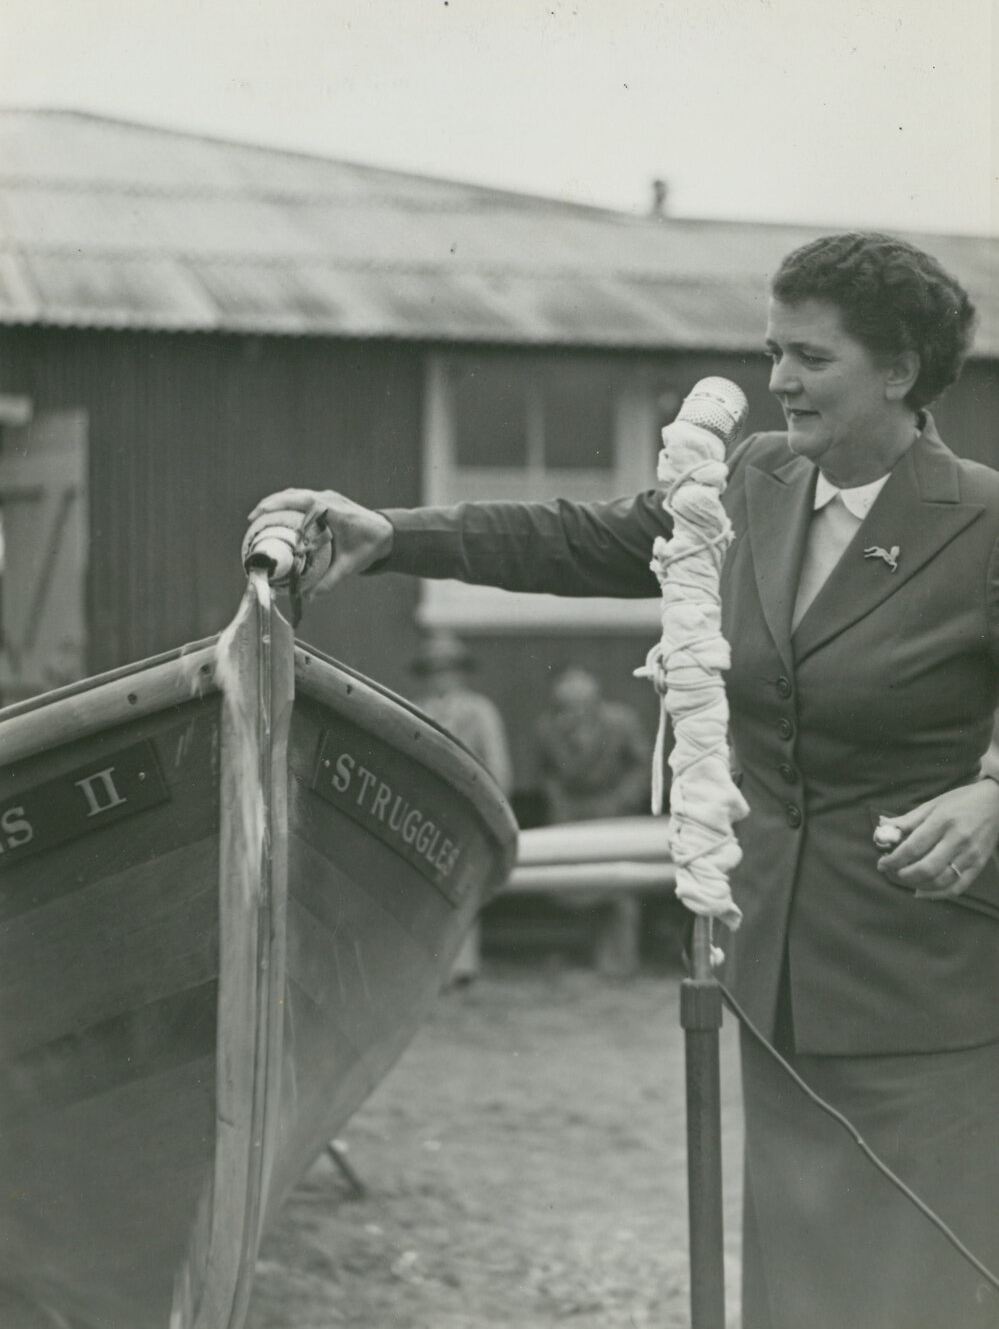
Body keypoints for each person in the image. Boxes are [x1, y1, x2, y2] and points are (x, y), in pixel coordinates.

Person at [250, 232, 999, 1328]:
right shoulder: (755, 480)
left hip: (925, 971)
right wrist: (393, 537)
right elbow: (587, 540)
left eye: (811, 358)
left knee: (920, 1270)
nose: (779, 381)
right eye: (772, 351)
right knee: (800, 1270)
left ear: (900, 370)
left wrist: (993, 792)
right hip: (775, 961)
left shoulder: (980, 520)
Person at [408, 629, 513, 983]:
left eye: (449, 668)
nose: (442, 676)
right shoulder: (416, 709)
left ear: (461, 672)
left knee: (465, 884)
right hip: (427, 808)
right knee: (427, 886)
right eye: (434, 669)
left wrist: (495, 809)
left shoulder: (479, 711)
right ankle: (431, 967)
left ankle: (463, 967)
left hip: (470, 808)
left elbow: (498, 765)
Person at [534, 665, 652, 976]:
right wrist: (559, 806)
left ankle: (621, 963)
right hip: (573, 813)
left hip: (615, 810)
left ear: (595, 701)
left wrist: (623, 800)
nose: (572, 713)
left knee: (621, 886)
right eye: (565, 706)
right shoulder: (546, 728)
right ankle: (588, 958)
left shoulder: (621, 721)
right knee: (579, 887)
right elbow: (547, 774)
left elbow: (642, 765)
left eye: (580, 705)